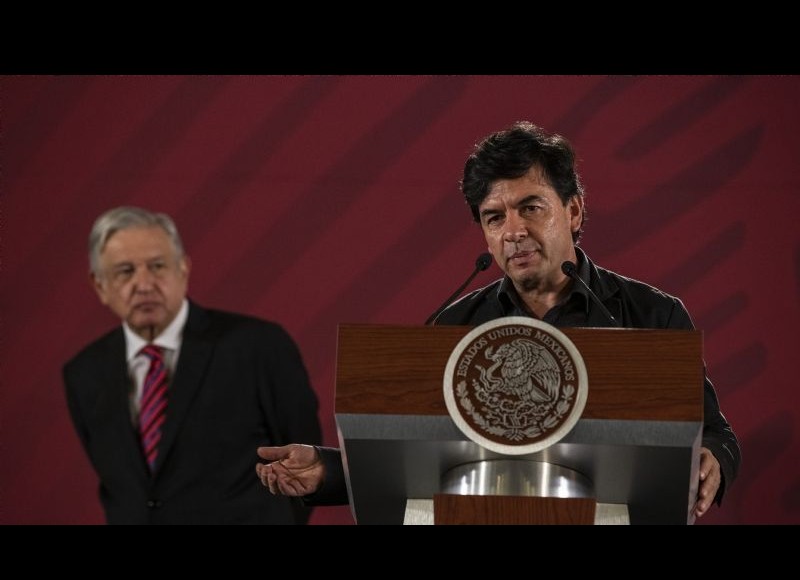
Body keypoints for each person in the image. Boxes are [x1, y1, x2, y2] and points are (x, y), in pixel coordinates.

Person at [256, 121, 742, 519]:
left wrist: (713, 460)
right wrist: (327, 471)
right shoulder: (455, 328)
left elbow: (715, 435)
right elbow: (415, 454)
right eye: (494, 217)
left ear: (573, 211)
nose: (513, 231)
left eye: (531, 208)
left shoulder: (652, 315)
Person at [63, 206, 322, 524]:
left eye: (157, 266)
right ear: (100, 285)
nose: (144, 284)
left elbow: (304, 465)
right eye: (125, 271)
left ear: (183, 269)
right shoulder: (84, 373)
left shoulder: (257, 346)